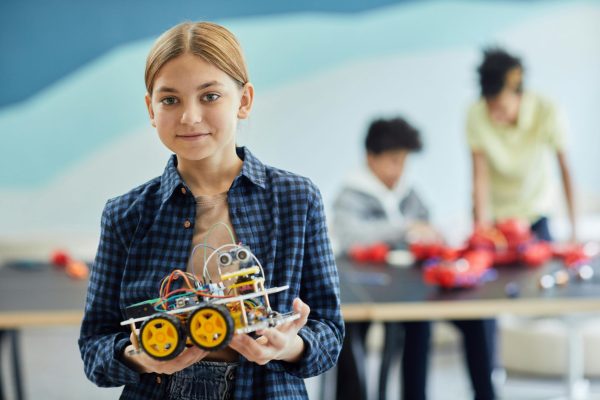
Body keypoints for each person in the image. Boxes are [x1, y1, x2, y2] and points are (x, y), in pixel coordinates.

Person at [78, 21, 343, 400]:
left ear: (244, 101)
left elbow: (329, 333)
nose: (189, 116)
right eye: (169, 100)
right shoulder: (125, 214)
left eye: (210, 96)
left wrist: (287, 346)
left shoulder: (296, 199)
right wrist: (142, 357)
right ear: (150, 109)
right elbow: (95, 349)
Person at [333, 117, 496, 400]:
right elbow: (351, 235)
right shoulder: (350, 194)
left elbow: (426, 222)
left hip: (410, 289)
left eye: (404, 161)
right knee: (351, 336)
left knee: (453, 317)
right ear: (370, 157)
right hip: (366, 292)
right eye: (393, 160)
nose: (400, 170)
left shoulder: (407, 192)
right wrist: (405, 228)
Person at [467, 47, 577, 242]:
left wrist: (574, 230)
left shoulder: (547, 109)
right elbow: (479, 176)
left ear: (517, 92)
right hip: (496, 215)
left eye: (501, 108)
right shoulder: (475, 114)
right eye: (490, 107)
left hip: (535, 212)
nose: (494, 116)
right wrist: (481, 228)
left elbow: (564, 167)